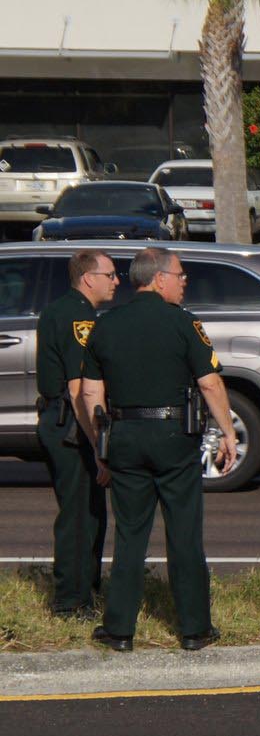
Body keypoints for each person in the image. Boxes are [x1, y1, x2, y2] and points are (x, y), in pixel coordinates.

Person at [78, 248, 239, 652]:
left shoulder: (105, 325)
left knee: (130, 534)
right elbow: (210, 383)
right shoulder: (184, 324)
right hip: (173, 436)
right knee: (183, 531)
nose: (185, 282)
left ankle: (118, 630)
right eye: (180, 275)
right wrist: (228, 432)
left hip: (125, 436)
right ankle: (194, 629)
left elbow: (92, 392)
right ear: (158, 278)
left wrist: (101, 445)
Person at [34, 249, 118, 616]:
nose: (116, 281)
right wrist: (99, 446)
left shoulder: (59, 309)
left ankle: (84, 591)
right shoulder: (79, 317)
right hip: (72, 423)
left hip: (59, 419)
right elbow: (77, 388)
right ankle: (71, 602)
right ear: (89, 278)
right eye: (111, 274)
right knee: (80, 516)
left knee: (88, 512)